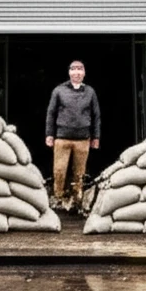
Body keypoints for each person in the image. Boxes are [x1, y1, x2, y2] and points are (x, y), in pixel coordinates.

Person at [44, 59, 101, 203]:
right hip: (62, 138)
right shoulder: (59, 90)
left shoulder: (90, 92)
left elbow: (96, 115)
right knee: (59, 170)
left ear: (84, 73)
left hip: (83, 139)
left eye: (80, 69)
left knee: (79, 173)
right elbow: (51, 113)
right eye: (74, 69)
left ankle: (77, 199)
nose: (77, 72)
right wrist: (49, 134)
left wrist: (96, 136)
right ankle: (58, 198)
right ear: (69, 72)